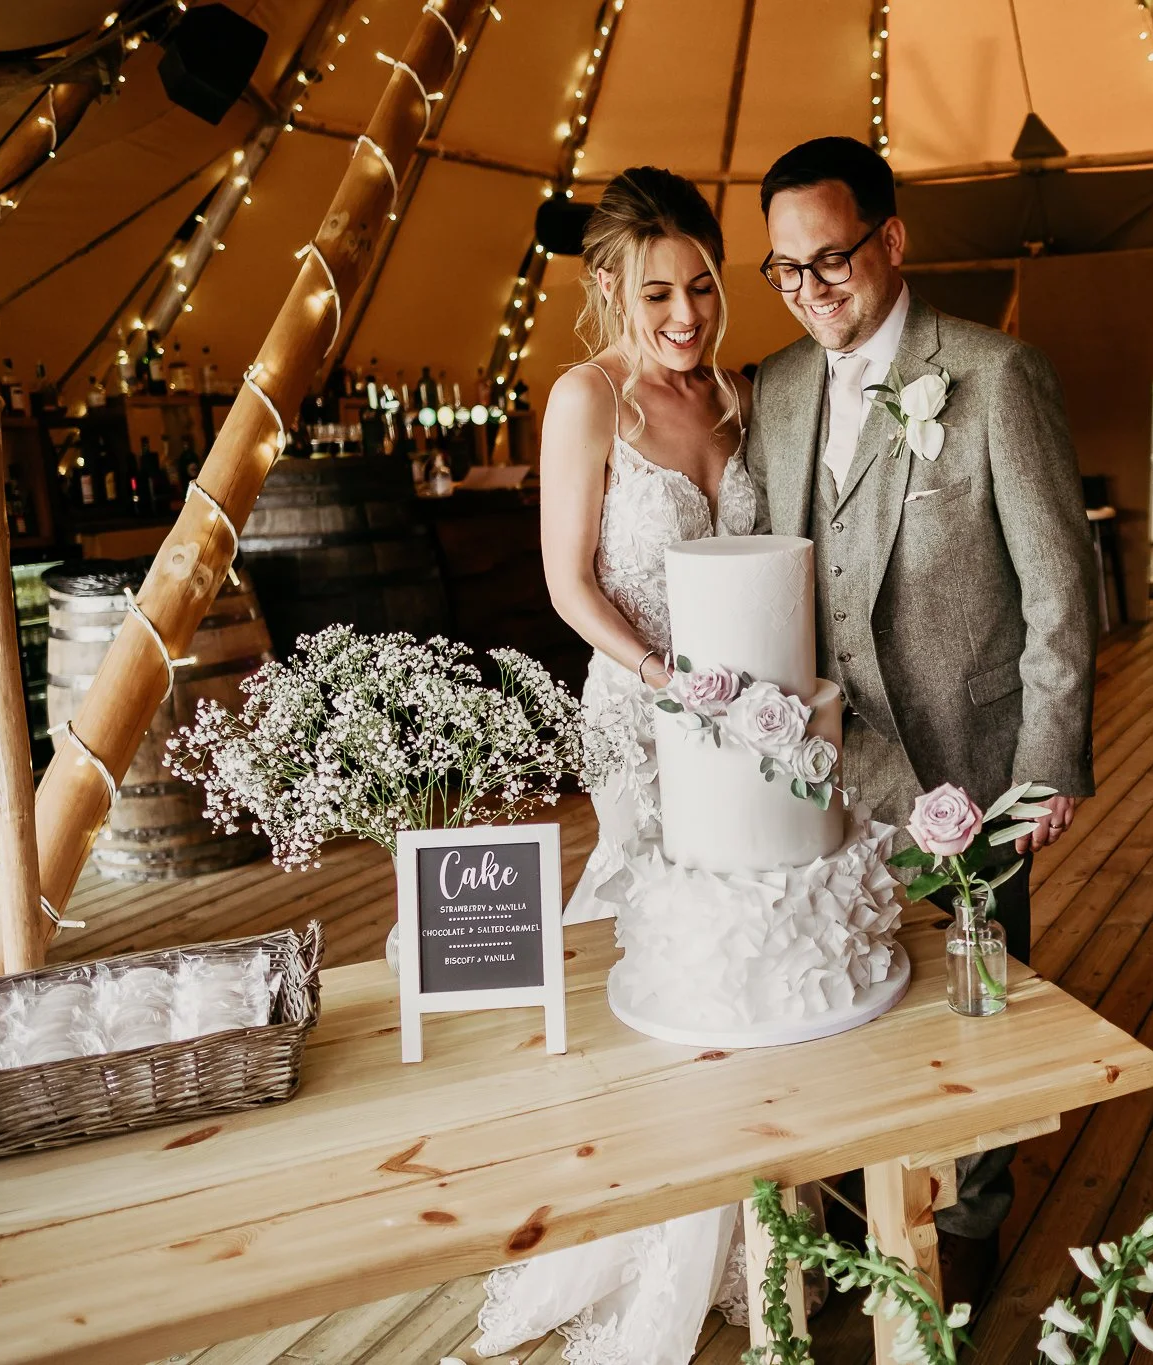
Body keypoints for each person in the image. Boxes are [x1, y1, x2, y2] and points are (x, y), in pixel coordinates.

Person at [744, 136, 1099, 1302]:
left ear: (892, 240)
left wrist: (1044, 770)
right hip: (831, 763)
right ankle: (861, 1204)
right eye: (785, 271)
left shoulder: (994, 374)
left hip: (971, 756)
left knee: (979, 988)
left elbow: (1060, 588)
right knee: (844, 972)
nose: (811, 291)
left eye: (831, 259)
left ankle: (973, 1217)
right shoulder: (779, 386)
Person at [487, 168, 759, 1363]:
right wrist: (664, 682)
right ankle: (646, 1219)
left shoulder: (744, 398)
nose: (686, 314)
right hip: (638, 716)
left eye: (701, 284)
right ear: (608, 288)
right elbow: (568, 585)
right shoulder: (584, 398)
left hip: (747, 722)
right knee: (661, 954)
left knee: (745, 950)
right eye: (658, 291)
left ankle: (752, 1223)